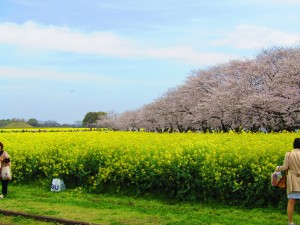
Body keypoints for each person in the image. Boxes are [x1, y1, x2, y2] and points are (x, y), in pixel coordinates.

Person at [276, 138, 300, 225]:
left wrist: (278, 168)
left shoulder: (289, 154)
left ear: (294, 145)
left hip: (293, 181)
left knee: (291, 202)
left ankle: (290, 222)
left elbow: (285, 167)